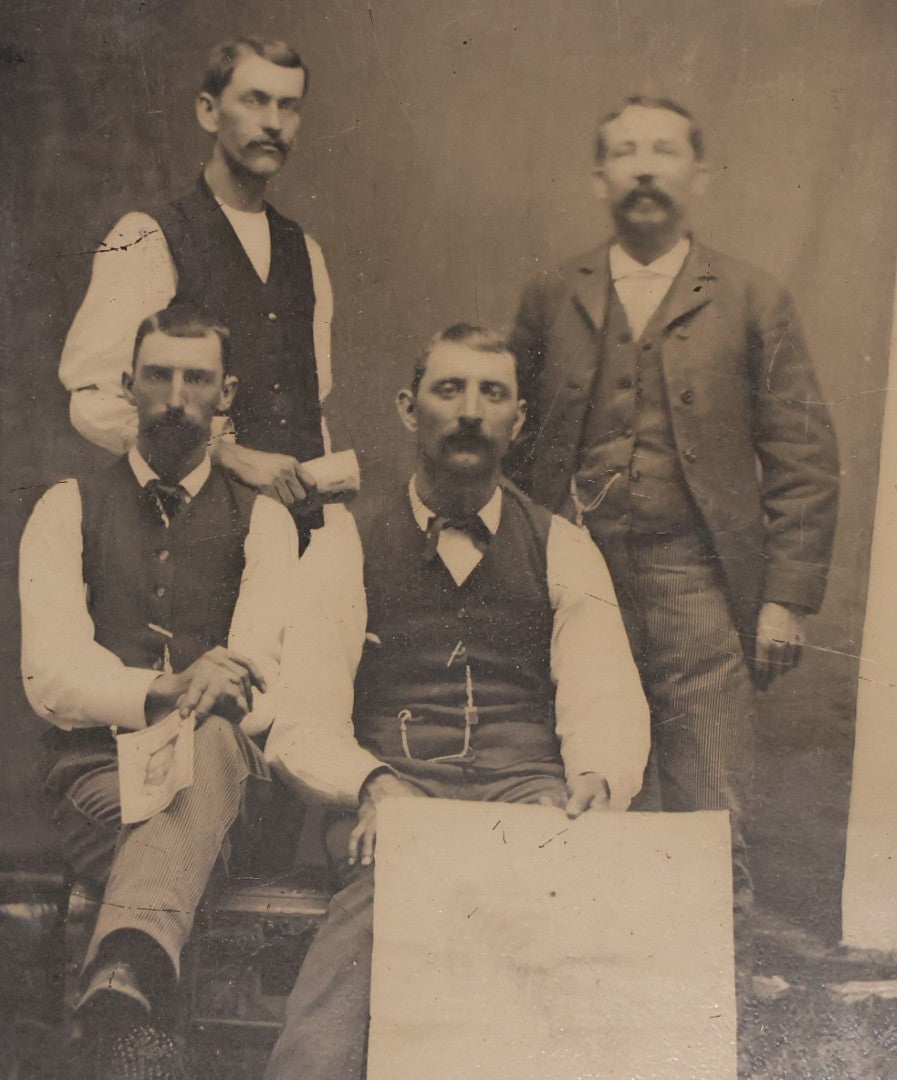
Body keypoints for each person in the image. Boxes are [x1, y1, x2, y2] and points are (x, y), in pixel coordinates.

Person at [263, 324, 649, 1080]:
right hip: (394, 809)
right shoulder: (346, 546)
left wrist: (595, 782)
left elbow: (605, 699)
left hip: (525, 798)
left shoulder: (561, 547)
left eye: (491, 393)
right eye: (449, 390)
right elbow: (300, 719)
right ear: (410, 410)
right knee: (368, 940)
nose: (469, 411)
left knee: (571, 953)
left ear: (518, 419)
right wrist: (370, 786)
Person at [508, 98, 840, 924]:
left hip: (694, 576)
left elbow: (803, 456)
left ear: (699, 175)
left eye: (664, 151)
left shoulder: (752, 298)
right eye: (624, 151)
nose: (644, 167)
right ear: (598, 179)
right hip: (570, 575)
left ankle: (714, 982)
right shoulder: (553, 295)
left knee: (708, 794)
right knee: (570, 772)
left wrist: (785, 597)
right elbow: (507, 440)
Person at [21, 306, 298, 1077]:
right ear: (128, 386)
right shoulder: (66, 507)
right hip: (98, 780)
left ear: (225, 394)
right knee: (179, 830)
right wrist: (173, 684)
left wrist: (213, 700)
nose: (176, 396)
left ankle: (121, 988)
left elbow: (263, 670)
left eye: (197, 378)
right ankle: (139, 994)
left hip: (228, 782)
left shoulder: (264, 518)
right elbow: (52, 676)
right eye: (158, 376)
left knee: (213, 741)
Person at [59, 36, 335, 540]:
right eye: (254, 100)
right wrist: (224, 452)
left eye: (288, 105)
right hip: (191, 538)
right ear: (209, 111)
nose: (273, 122)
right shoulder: (148, 237)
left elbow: (308, 412)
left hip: (298, 539)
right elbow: (93, 398)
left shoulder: (306, 253)